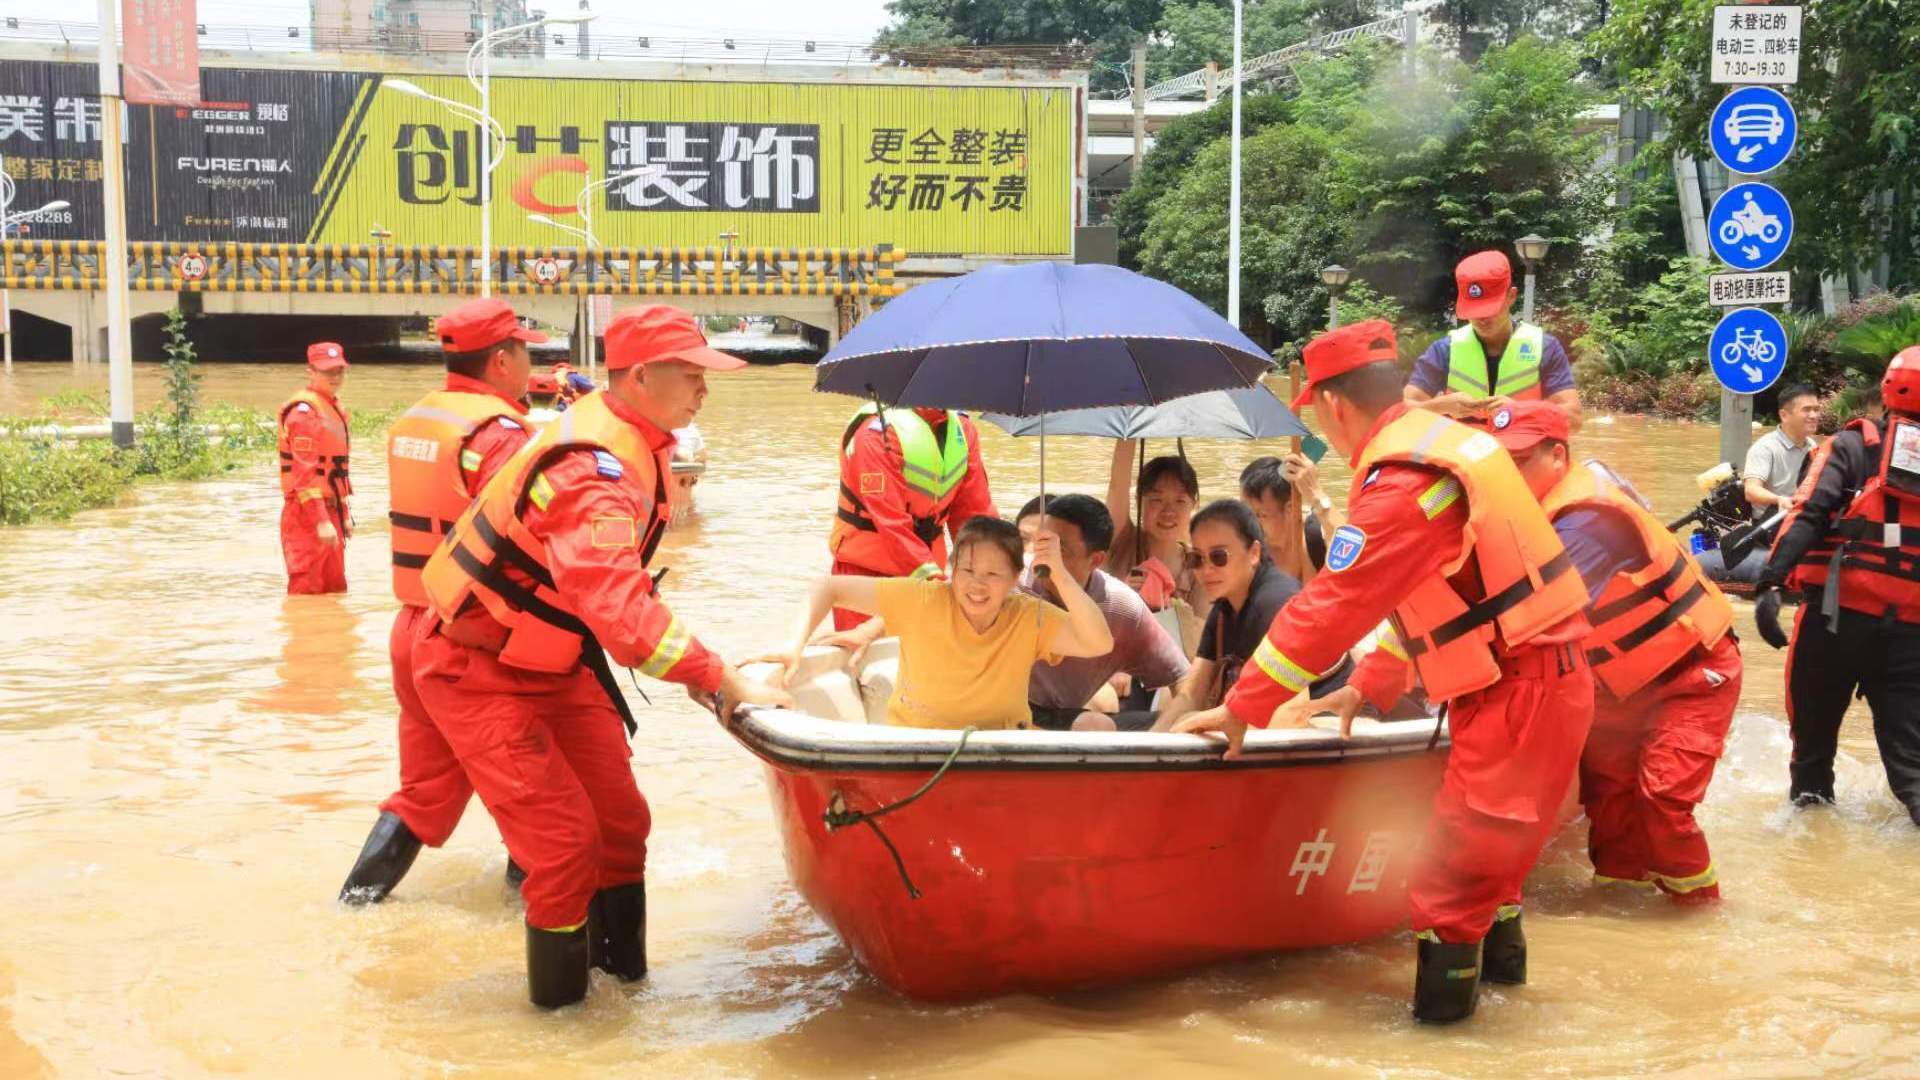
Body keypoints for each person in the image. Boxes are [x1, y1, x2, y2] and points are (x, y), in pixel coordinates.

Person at [1174, 319, 1593, 1025]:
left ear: (1333, 407)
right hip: (1529, 683)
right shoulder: (1444, 451)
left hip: (1519, 692)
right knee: (1494, 876)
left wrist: (1243, 704)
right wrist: (1371, 684)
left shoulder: (1403, 482)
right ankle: (1504, 1030)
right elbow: (1443, 597)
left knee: (1447, 888)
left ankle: (1444, 1043)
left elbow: (1333, 607)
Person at [408, 304, 794, 1009]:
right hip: (477, 669)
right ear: (641, 375)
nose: (705, 389)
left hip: (553, 661)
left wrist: (701, 676)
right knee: (560, 849)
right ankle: (562, 1030)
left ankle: (627, 995)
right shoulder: (592, 470)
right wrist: (720, 676)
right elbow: (621, 616)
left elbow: (614, 606)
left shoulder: (636, 442)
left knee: (621, 824)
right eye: (693, 374)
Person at [1488, 401, 1742, 903]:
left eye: (1520, 463)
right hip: (1615, 682)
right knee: (1609, 808)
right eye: (1501, 465)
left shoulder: (1586, 518)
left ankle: (1697, 917)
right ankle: (1617, 912)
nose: (1509, 477)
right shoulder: (1544, 505)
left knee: (1663, 803)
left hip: (1688, 673)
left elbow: (1531, 618)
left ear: (1558, 456)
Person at [338, 298, 542, 905]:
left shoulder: (417, 419)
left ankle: (354, 906)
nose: (532, 360)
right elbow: (525, 535)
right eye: (526, 349)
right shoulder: (498, 435)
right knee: (536, 783)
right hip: (475, 634)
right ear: (503, 360)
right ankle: (531, 922)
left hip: (412, 629)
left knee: (424, 790)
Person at [1755, 347, 1920, 826]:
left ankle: (1809, 851)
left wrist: (1771, 582)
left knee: (1811, 759)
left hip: (1834, 620)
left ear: (1888, 390)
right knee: (1912, 767)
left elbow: (1809, 513)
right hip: (1911, 631)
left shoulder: (1851, 446)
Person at [777, 516, 1115, 730]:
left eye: (993, 574)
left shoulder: (1029, 615)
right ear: (951, 569)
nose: (977, 585)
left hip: (1002, 749)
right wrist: (793, 647)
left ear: (1015, 578)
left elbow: (1098, 643)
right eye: (966, 571)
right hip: (914, 748)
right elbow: (829, 587)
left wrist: (1058, 572)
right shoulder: (923, 598)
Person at [1156, 500, 1353, 731]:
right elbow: (1191, 695)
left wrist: (1207, 727)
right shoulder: (1224, 607)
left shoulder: (1274, 605)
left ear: (1254, 553)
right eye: (1196, 559)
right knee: (1176, 714)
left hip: (1327, 718)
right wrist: (1151, 744)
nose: (1206, 570)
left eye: (1219, 556)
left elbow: (1290, 717)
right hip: (1273, 719)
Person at [827, 402, 996, 629]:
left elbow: (975, 514)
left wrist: (993, 571)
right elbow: (891, 524)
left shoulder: (964, 429)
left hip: (928, 569)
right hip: (867, 573)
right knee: (866, 658)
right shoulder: (876, 434)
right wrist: (936, 583)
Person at [1404, 250, 1583, 431]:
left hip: (1521, 454)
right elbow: (1401, 412)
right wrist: (1441, 406)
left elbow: (1574, 419)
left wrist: (1520, 410)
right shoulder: (1444, 350)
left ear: (1511, 296)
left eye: (1490, 309)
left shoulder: (1546, 348)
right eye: (1475, 310)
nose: (1482, 318)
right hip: (1463, 456)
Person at [1700, 384, 1823, 584]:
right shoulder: (1766, 448)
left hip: (1801, 520)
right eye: (1806, 410)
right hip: (1773, 524)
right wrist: (1780, 499)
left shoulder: (1814, 448)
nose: (1814, 415)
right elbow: (1752, 490)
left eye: (1816, 409)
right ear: (1785, 415)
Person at [1106, 442, 1210, 644]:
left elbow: (1201, 640)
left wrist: (1164, 605)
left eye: (1180, 501)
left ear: (1195, 504)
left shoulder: (1199, 565)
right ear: (1138, 500)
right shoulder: (1121, 540)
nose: (1168, 512)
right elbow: (1118, 484)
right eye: (1156, 500)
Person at [278, 342, 353, 594]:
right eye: (328, 371)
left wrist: (343, 512)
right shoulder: (304, 413)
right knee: (306, 591)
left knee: (335, 589)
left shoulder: (331, 407)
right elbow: (304, 476)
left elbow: (334, 473)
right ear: (311, 371)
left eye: (339, 371)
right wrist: (321, 521)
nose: (335, 377)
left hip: (331, 511)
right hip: (305, 514)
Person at [1239, 454, 1344, 583]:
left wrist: (1316, 493)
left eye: (1261, 515)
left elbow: (1358, 551)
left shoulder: (1316, 537)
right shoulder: (1245, 548)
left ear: (1291, 508)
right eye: (1246, 512)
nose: (1251, 523)